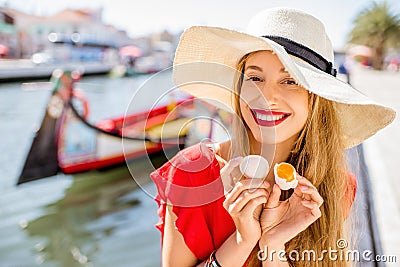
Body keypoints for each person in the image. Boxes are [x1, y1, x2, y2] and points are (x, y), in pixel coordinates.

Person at [150, 7, 396, 267]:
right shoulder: (192, 172)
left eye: (290, 81)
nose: (266, 98)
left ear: (316, 99)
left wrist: (273, 247)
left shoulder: (335, 186)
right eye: (254, 78)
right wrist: (241, 241)